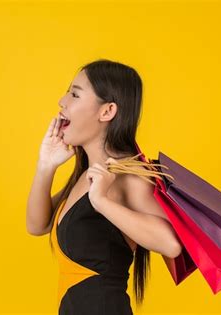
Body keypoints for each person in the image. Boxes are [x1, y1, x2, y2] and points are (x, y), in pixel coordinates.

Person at [26, 58, 182, 314]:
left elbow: (171, 244)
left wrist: (102, 202)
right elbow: (37, 225)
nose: (62, 101)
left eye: (75, 94)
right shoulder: (89, 174)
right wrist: (46, 166)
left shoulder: (128, 173)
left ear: (107, 111)